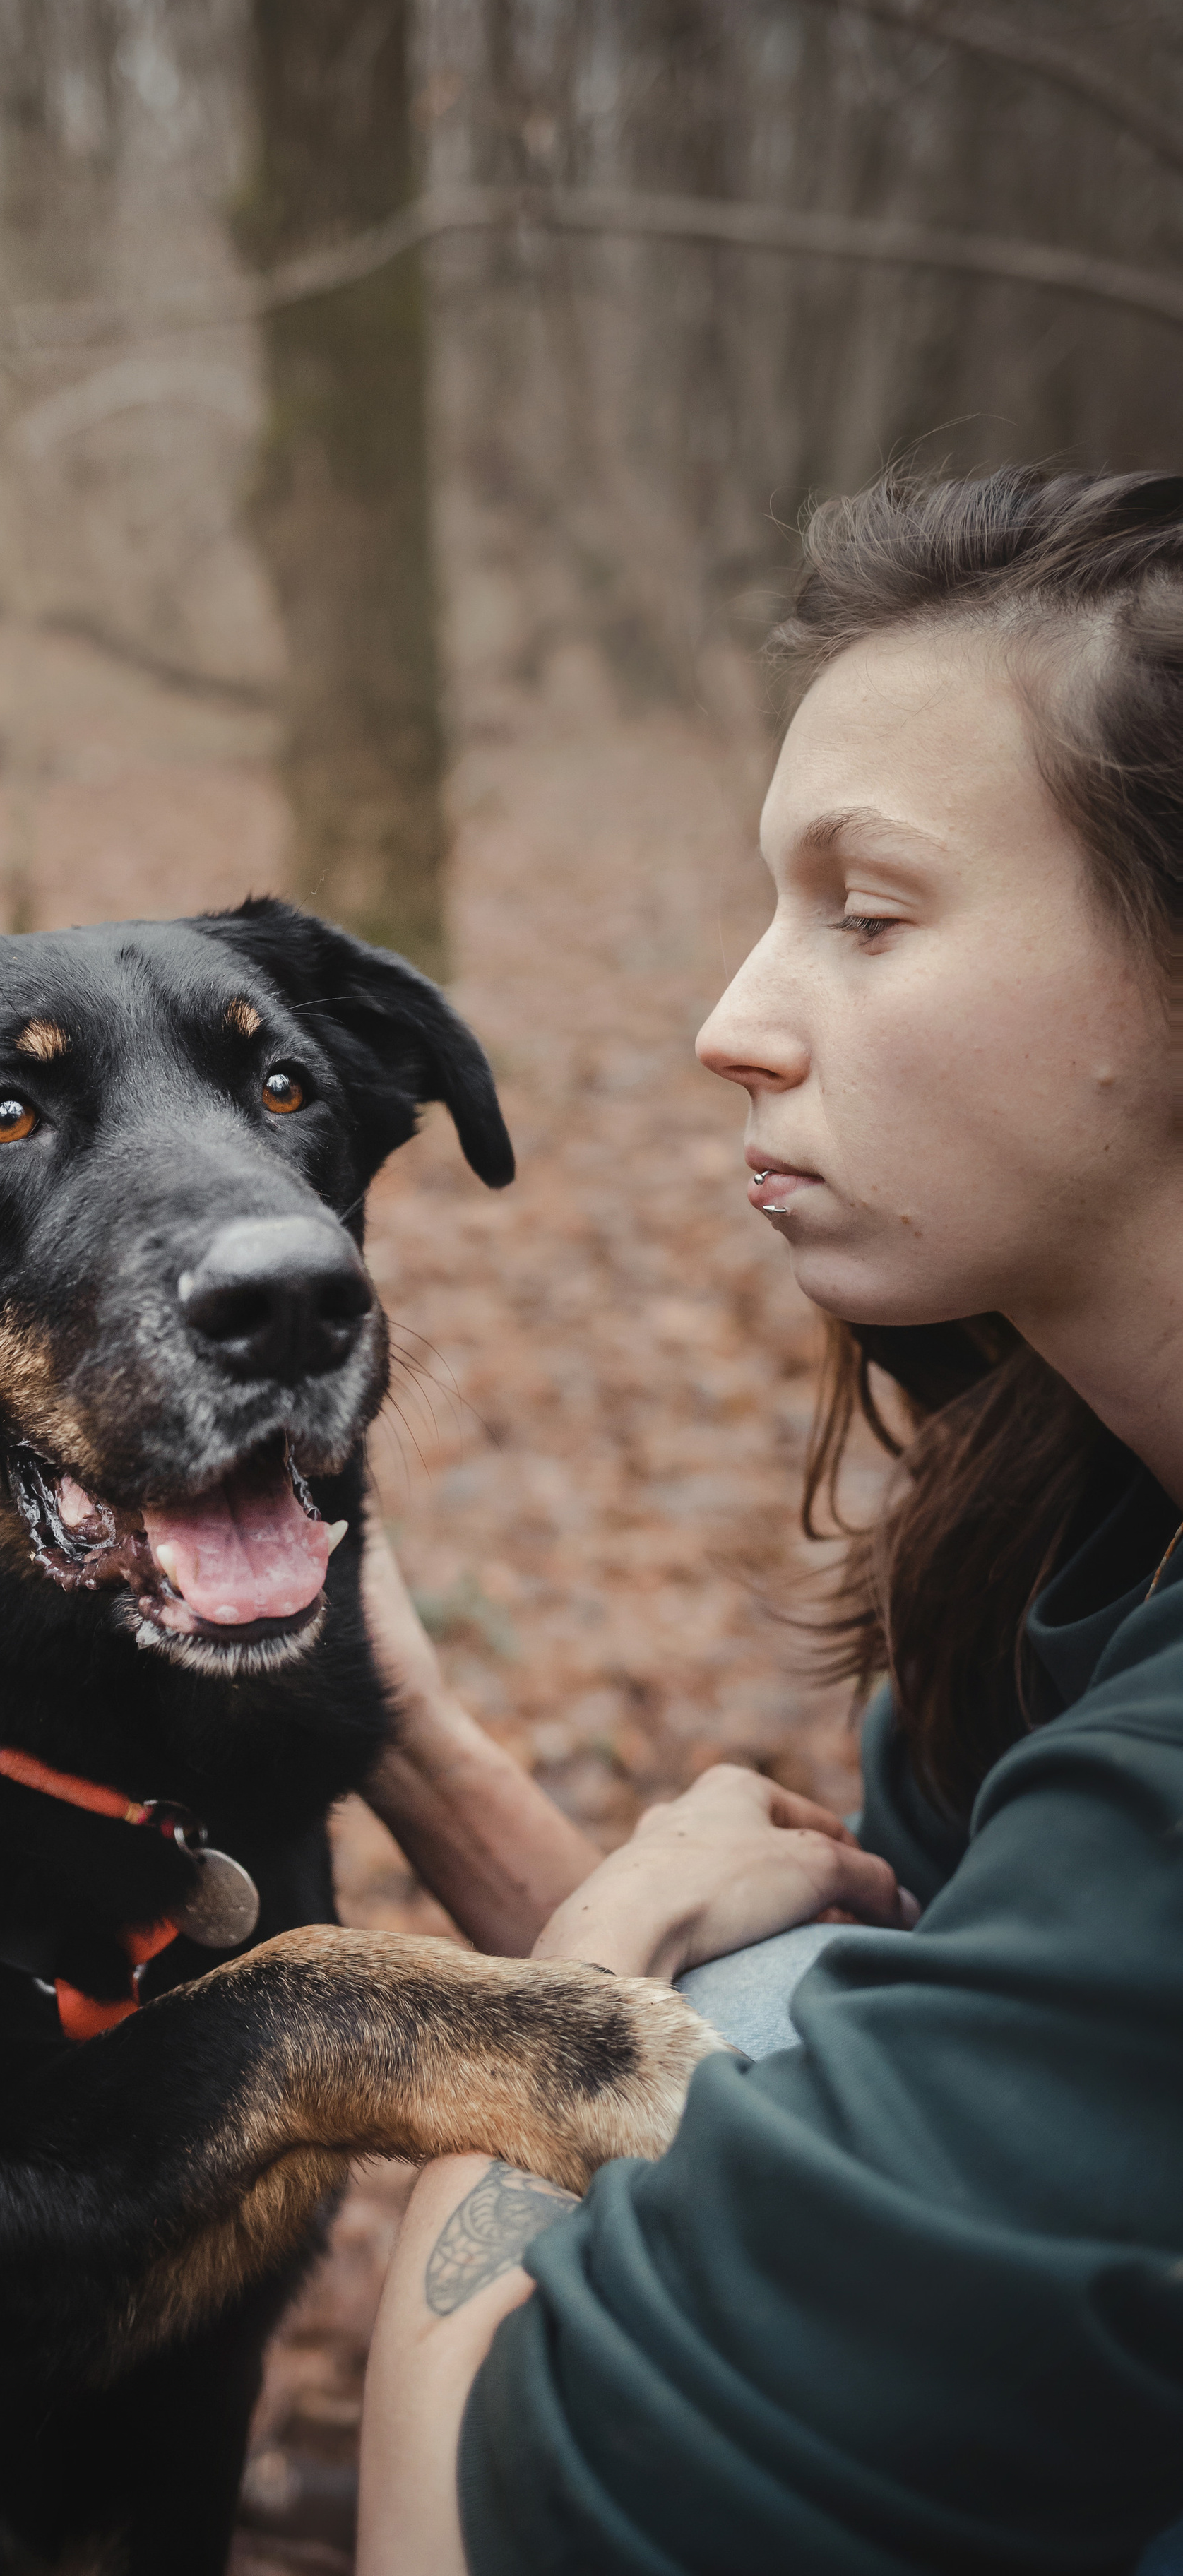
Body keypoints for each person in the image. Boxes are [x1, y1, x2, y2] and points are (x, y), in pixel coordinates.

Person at [350, 468, 1183, 2575]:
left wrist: (594, 1963)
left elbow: (499, 2516)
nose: (733, 1022)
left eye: (870, 914)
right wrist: (414, 1746)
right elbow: (878, 2040)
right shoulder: (1079, 1505)